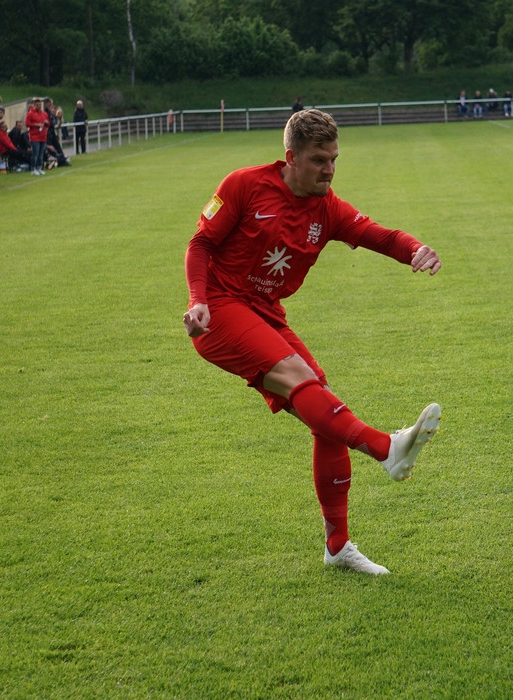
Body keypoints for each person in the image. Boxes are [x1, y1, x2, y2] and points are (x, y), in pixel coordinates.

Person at [182, 109, 443, 576]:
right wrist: (198, 300)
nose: (329, 169)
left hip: (265, 312)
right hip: (219, 310)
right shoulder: (244, 185)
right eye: (319, 160)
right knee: (304, 381)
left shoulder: (327, 208)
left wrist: (414, 249)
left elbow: (375, 234)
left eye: (334, 159)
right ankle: (387, 449)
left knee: (322, 410)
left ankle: (338, 546)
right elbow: (200, 244)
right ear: (291, 158)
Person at [25, 99, 50, 175]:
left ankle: (39, 168)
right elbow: (27, 123)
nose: (39, 106)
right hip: (35, 136)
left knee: (41, 154)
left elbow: (48, 124)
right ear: (34, 105)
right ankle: (33, 169)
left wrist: (46, 123)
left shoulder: (44, 114)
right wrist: (37, 124)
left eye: (40, 105)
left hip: (43, 136)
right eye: (37, 105)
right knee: (35, 153)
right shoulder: (30, 114)